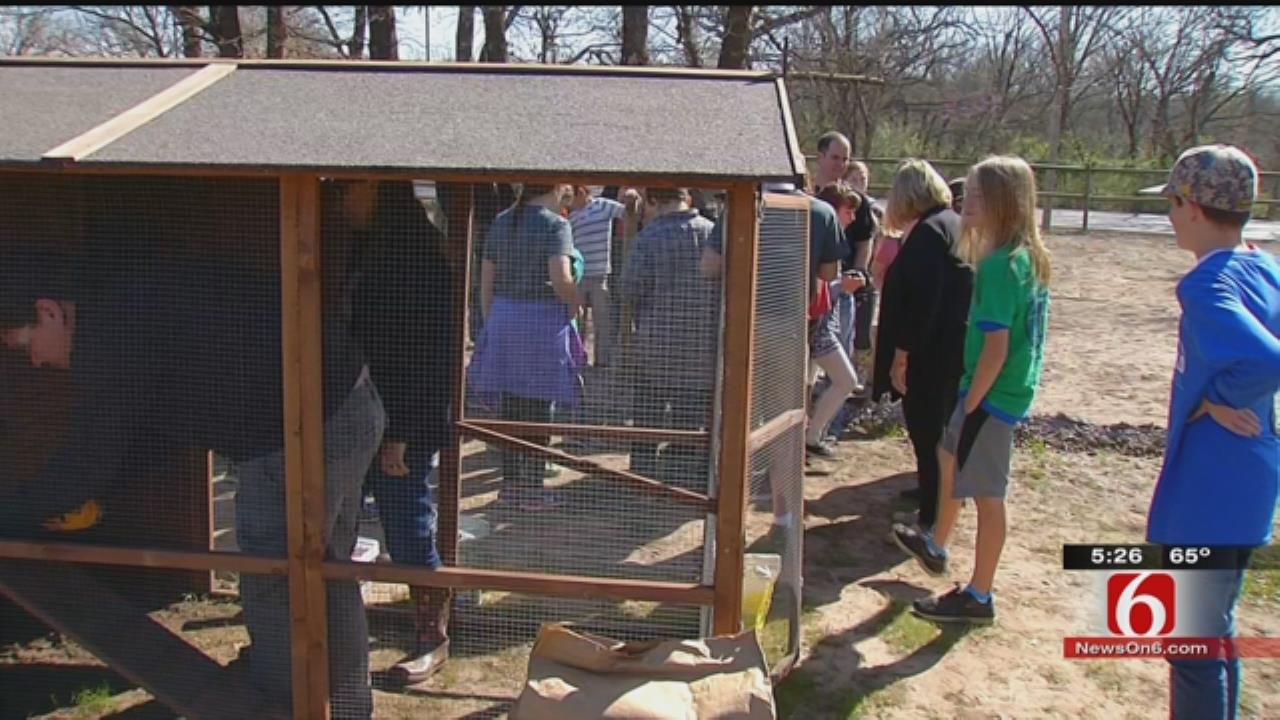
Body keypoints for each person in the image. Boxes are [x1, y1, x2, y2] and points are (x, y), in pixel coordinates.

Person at [0, 236, 382, 717]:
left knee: (275, 580)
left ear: (48, 312)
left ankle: (279, 710)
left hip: (300, 433)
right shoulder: (125, 301)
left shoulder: (110, 336)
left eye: (25, 344)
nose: (34, 361)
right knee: (328, 572)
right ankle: (348, 709)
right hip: (349, 403)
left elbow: (89, 460)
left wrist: (12, 514)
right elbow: (136, 439)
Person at [1140, 145, 1279, 719]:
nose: (1170, 215)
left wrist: (1217, 400)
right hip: (1250, 478)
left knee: (1193, 646)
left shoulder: (1205, 284)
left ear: (1194, 206)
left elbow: (1269, 359)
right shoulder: (1265, 264)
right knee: (1216, 633)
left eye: (1173, 203)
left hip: (1210, 487)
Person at [892, 155, 1052, 627]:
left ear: (1005, 202)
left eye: (979, 196)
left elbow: (996, 348)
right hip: (1000, 392)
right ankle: (936, 543)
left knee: (986, 495)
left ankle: (978, 595)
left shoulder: (1002, 265)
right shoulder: (1025, 257)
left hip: (993, 395)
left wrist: (973, 403)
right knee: (947, 454)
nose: (968, 202)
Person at [348, 180, 458, 686]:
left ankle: (432, 637)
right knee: (336, 526)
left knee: (407, 522)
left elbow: (425, 358)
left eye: (352, 188)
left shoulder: (417, 258)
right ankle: (331, 629)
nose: (344, 198)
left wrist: (402, 432)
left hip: (401, 419)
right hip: (350, 413)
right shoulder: (357, 247)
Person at [467, 183, 584, 512]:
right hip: (540, 322)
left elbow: (485, 279)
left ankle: (510, 486)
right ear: (558, 187)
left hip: (504, 316)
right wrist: (577, 303)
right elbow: (561, 278)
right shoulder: (556, 224)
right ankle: (532, 489)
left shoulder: (502, 220)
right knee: (537, 410)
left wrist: (493, 320)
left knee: (511, 407)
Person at [873, 160, 973, 531]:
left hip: (931, 355)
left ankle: (932, 517)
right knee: (935, 433)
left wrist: (902, 354)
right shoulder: (950, 224)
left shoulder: (931, 233)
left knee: (929, 432)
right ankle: (931, 496)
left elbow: (924, 301)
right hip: (949, 349)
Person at [622, 187, 719, 487]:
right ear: (686, 198)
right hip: (702, 342)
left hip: (656, 342)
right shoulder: (712, 232)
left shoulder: (648, 238)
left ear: (652, 201)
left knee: (648, 410)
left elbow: (630, 288)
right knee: (690, 413)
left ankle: (642, 473)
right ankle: (684, 479)